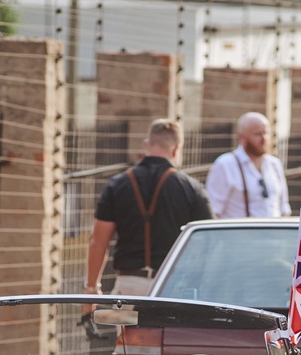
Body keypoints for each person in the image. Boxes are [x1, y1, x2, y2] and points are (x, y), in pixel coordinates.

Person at [85, 119, 212, 298]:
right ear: (176, 150)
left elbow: (98, 241)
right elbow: (207, 242)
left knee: (129, 326)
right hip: (172, 285)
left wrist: (91, 289)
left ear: (146, 145)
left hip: (129, 285)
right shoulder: (191, 188)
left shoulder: (117, 185)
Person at [206, 111, 291, 218]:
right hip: (239, 233)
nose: (264, 139)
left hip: (274, 233)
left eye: (266, 133)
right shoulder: (225, 165)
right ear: (243, 137)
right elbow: (214, 210)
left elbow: (284, 208)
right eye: (258, 134)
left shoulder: (274, 164)